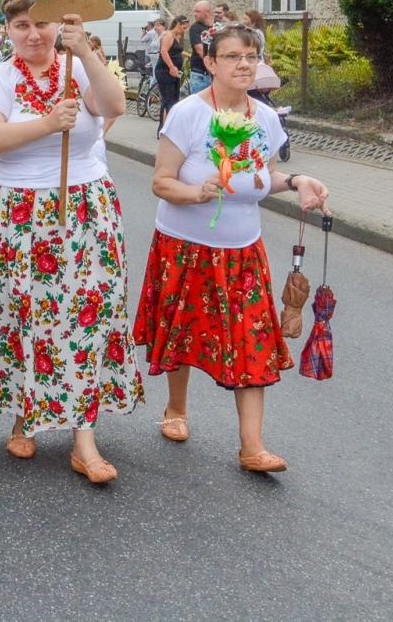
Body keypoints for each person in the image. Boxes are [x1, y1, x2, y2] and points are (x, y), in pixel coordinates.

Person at [0, 0, 143, 484]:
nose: (34, 34)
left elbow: (114, 106)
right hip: (11, 212)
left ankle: (84, 440)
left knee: (81, 314)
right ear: (8, 30)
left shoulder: (76, 68)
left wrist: (83, 49)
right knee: (23, 313)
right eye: (21, 25)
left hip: (81, 207)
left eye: (41, 23)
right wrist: (46, 123)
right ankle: (25, 413)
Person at [134, 25, 330, 475]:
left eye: (250, 55)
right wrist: (197, 193)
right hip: (185, 247)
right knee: (182, 332)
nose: (244, 63)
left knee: (252, 339)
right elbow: (160, 181)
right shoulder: (187, 114)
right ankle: (176, 410)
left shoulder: (264, 118)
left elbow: (264, 179)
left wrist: (299, 182)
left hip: (243, 250)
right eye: (233, 56)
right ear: (210, 63)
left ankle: (252, 446)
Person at [155, 14, 189, 116]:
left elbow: (177, 51)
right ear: (178, 24)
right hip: (165, 71)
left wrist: (190, 55)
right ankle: (167, 125)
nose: (185, 31)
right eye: (184, 28)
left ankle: (169, 124)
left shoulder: (176, 37)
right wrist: (171, 66)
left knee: (174, 99)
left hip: (174, 72)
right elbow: (164, 51)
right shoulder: (168, 35)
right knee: (168, 100)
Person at [186, 0, 217, 95]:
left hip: (215, 74)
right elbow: (200, 50)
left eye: (197, 11)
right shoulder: (195, 28)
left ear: (207, 12)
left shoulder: (217, 26)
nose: (194, 14)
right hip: (201, 74)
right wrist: (213, 67)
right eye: (194, 11)